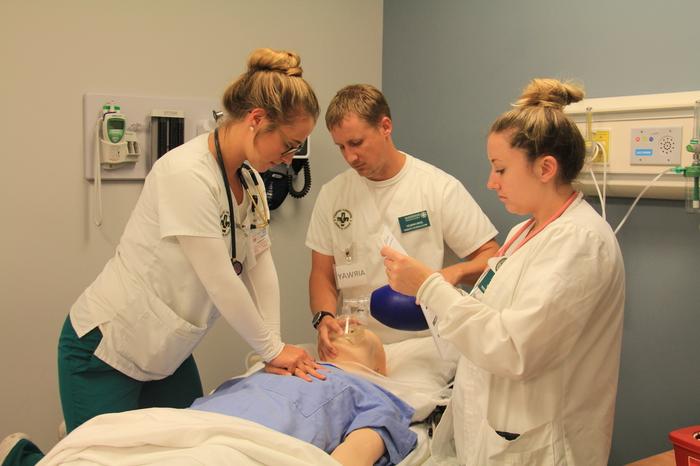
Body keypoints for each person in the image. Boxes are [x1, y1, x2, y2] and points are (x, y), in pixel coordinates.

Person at [1, 47, 327, 466]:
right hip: (106, 347)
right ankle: (21, 457)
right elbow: (220, 280)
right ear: (257, 119)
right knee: (100, 461)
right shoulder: (185, 173)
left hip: (167, 353)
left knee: (186, 455)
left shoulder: (250, 181)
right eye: (288, 144)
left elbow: (261, 266)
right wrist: (271, 350)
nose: (288, 158)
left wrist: (276, 344)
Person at [381, 78, 625, 465]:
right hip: (495, 437)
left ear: (545, 167)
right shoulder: (523, 232)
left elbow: (514, 349)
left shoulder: (579, 243)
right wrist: (440, 288)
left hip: (543, 448)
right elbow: (486, 321)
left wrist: (428, 286)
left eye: (500, 169)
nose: (490, 182)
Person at [1, 328, 416, 466]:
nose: (345, 325)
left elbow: (351, 457)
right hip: (197, 426)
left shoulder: (371, 392)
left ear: (379, 367)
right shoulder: (277, 363)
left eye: (359, 332)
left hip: (251, 446)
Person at [306, 84, 499, 359]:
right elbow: (322, 274)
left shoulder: (436, 187)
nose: (350, 157)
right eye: (341, 147)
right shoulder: (333, 195)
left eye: (357, 143)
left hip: (422, 345)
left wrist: (450, 275)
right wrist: (323, 316)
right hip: (355, 344)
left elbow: (491, 257)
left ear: (385, 127)